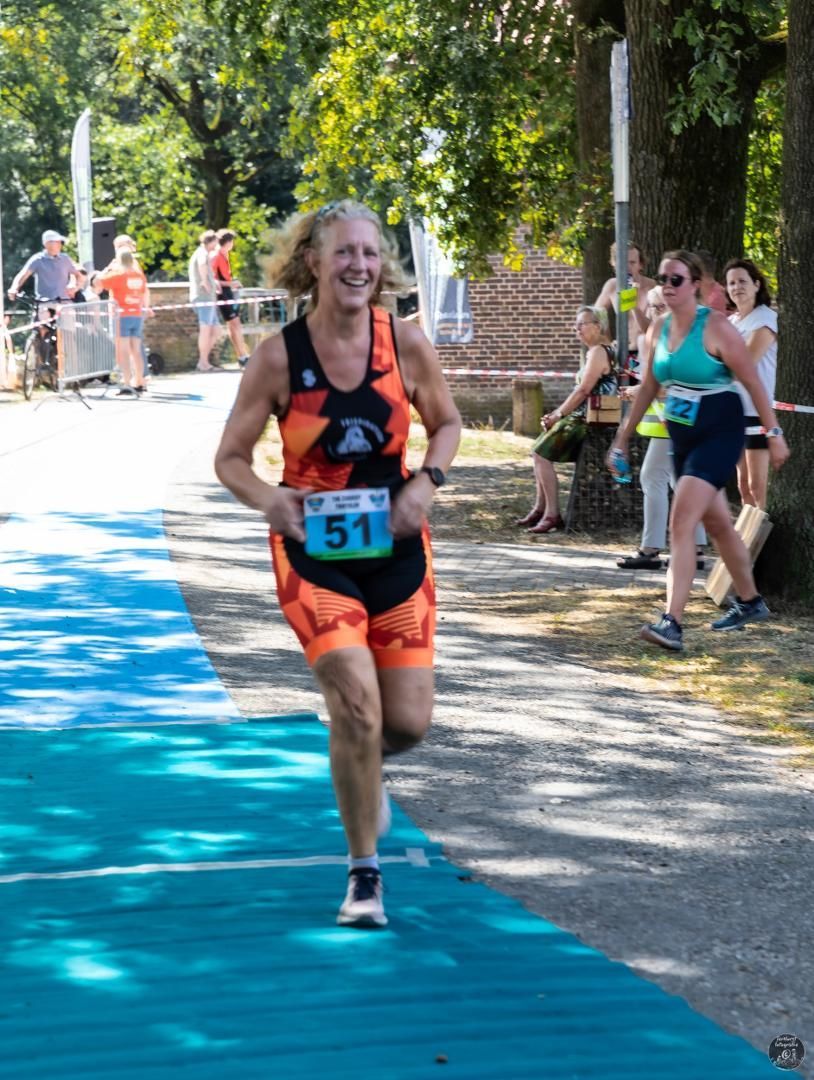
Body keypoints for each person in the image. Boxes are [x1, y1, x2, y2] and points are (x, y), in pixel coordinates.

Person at [214, 200, 461, 928]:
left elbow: (446, 424)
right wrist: (270, 501)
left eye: (370, 253)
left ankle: (363, 765)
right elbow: (230, 459)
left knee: (406, 724)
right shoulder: (278, 356)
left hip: (397, 546)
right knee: (355, 703)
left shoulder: (405, 343)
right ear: (314, 263)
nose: (359, 265)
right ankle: (364, 879)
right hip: (313, 551)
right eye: (344, 253)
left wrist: (426, 484)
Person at [608, 249, 789, 652]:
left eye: (676, 280)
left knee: (681, 519)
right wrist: (623, 437)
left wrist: (773, 433)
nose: (668, 286)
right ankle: (750, 601)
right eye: (663, 279)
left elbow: (755, 384)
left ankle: (672, 621)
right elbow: (651, 387)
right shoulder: (657, 329)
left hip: (720, 428)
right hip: (682, 433)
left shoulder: (718, 328)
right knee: (721, 524)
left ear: (696, 286)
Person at [616, 286, 708, 571]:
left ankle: (651, 548)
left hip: (674, 424)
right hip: (671, 424)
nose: (650, 312)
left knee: (652, 478)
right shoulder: (668, 339)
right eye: (650, 307)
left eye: (656, 307)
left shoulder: (673, 343)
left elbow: (669, 389)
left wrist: (638, 391)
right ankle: (695, 547)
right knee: (679, 482)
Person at [516, 305, 616, 533]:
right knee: (538, 449)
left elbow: (583, 390)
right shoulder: (597, 351)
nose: (576, 329)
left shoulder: (599, 351)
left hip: (588, 421)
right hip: (583, 417)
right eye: (575, 325)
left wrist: (558, 414)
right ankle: (540, 508)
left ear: (597, 326)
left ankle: (552, 513)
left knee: (540, 453)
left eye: (582, 324)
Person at [724, 258, 777, 510]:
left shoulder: (765, 319)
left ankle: (764, 544)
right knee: (743, 485)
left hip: (759, 411)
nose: (737, 287)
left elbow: (742, 363)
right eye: (732, 283)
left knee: (758, 486)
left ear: (756, 285)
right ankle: (746, 547)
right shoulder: (732, 322)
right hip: (735, 412)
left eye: (743, 281)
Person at [594, 240, 655, 385]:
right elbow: (596, 314)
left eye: (632, 262)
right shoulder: (612, 286)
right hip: (622, 354)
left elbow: (651, 328)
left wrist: (632, 303)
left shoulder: (651, 287)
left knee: (640, 398)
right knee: (621, 400)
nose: (627, 267)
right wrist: (608, 342)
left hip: (644, 354)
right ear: (614, 264)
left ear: (641, 265)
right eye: (622, 262)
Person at [97, 250, 152, 394]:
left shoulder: (119, 275)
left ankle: (127, 382)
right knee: (136, 351)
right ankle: (139, 381)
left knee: (124, 352)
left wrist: (108, 269)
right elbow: (143, 291)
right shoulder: (139, 275)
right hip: (137, 314)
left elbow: (100, 281)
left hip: (122, 315)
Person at [210, 229, 250, 368]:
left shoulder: (224, 254)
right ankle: (243, 356)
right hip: (223, 294)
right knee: (235, 325)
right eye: (232, 241)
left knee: (234, 325)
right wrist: (231, 283)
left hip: (228, 293)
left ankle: (242, 356)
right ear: (228, 242)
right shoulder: (216, 256)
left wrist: (231, 284)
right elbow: (213, 280)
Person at [188, 230, 222, 371]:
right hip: (204, 297)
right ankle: (203, 363)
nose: (217, 244)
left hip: (208, 298)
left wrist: (213, 282)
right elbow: (202, 265)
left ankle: (203, 361)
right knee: (206, 329)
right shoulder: (202, 253)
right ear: (211, 241)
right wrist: (205, 282)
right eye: (215, 241)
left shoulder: (200, 252)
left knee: (217, 330)